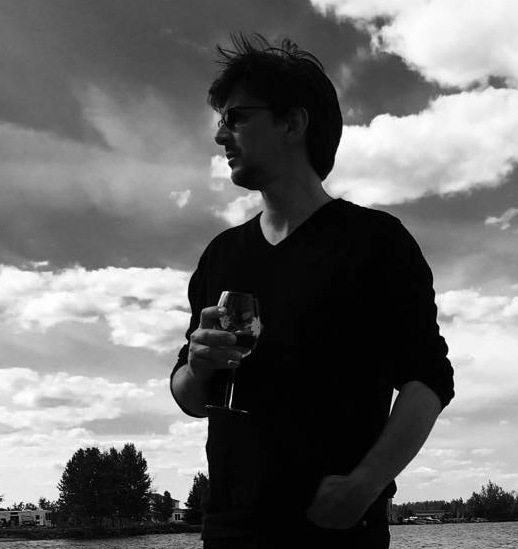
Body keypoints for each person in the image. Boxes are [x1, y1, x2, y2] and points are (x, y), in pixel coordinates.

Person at [171, 33, 454, 549]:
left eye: (236, 117)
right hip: (229, 530)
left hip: (336, 531)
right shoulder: (221, 255)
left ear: (292, 123)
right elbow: (189, 398)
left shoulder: (376, 242)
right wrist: (199, 365)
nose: (220, 135)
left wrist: (364, 486)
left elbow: (428, 378)